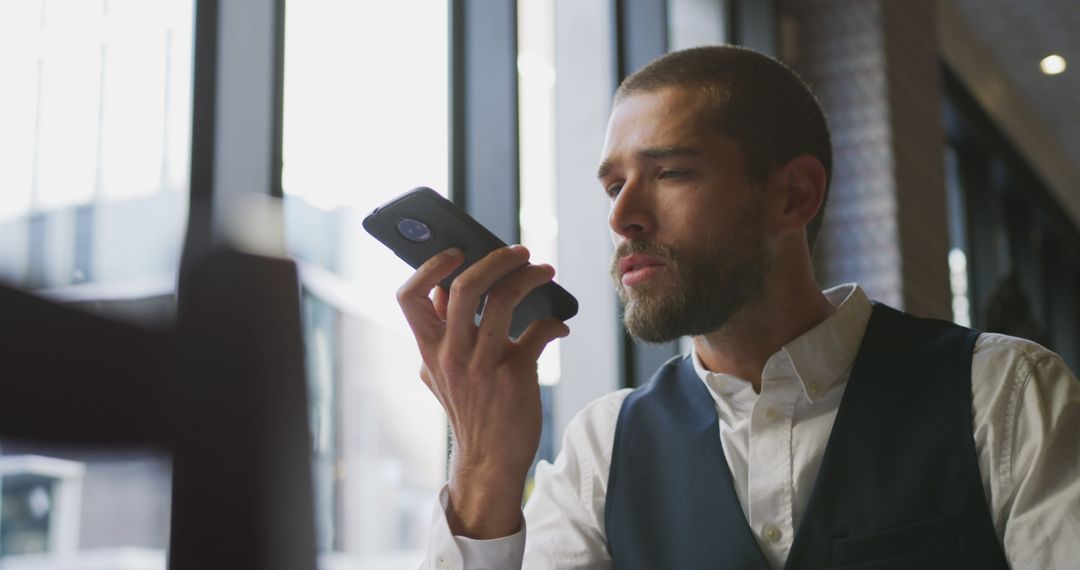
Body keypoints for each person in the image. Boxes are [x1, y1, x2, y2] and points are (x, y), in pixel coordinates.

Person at [397, 46, 1080, 569]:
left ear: (793, 196)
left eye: (670, 173)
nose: (624, 216)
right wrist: (484, 466)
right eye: (613, 185)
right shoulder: (600, 450)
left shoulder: (1001, 395)